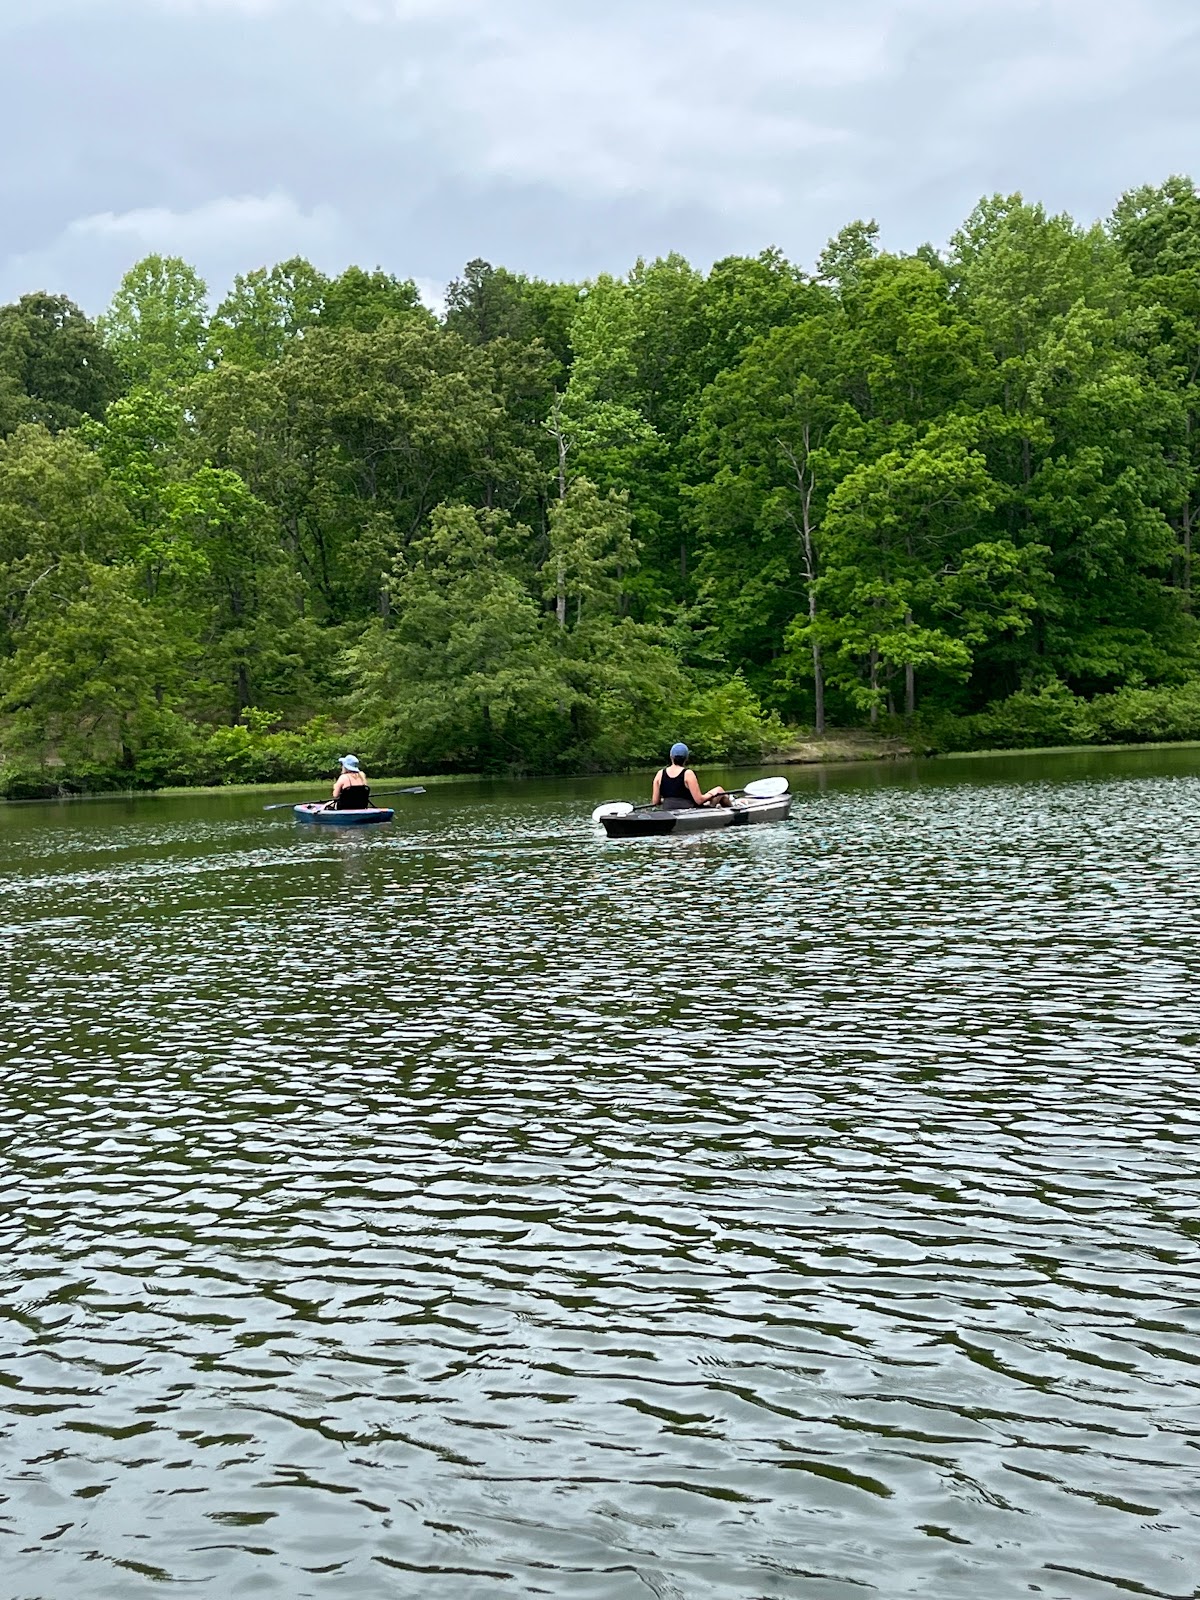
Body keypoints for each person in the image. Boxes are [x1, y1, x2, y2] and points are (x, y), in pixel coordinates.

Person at [651, 744, 731, 809]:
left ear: (671, 757)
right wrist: (711, 794)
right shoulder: (688, 773)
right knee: (719, 790)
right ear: (686, 758)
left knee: (721, 795)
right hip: (689, 810)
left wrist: (670, 800)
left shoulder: (659, 774)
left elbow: (655, 802)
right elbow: (699, 800)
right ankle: (735, 810)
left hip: (668, 808)